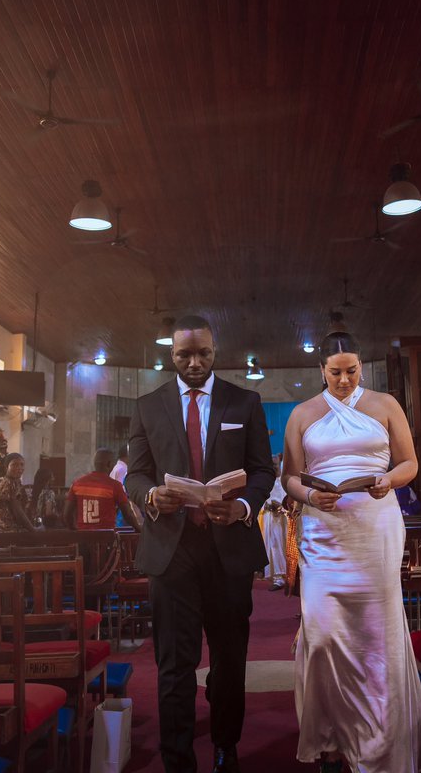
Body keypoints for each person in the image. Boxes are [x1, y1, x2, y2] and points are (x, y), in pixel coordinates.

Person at [124, 314, 274, 773]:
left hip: (227, 548)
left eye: (202, 353)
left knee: (229, 662)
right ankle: (178, 759)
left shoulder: (244, 402)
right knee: (174, 665)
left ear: (215, 351)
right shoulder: (148, 405)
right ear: (170, 355)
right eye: (183, 355)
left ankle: (226, 748)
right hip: (172, 550)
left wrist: (243, 507)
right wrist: (151, 494)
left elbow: (263, 470)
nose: (194, 362)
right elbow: (135, 473)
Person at [282, 331, 421, 773]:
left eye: (351, 371)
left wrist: (389, 480)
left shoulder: (385, 405)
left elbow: (410, 463)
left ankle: (382, 740)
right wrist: (310, 497)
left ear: (360, 367)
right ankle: (329, 736)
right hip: (324, 533)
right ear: (320, 370)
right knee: (324, 635)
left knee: (376, 635)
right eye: (335, 372)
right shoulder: (303, 413)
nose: (344, 380)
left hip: (375, 528)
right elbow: (290, 476)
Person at [65, 448, 141, 531]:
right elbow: (128, 514)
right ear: (109, 464)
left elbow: (67, 514)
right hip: (106, 539)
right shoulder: (115, 486)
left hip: (83, 538)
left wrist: (74, 530)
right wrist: (139, 529)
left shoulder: (77, 484)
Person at [0, 453, 38, 533]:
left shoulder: (14, 481)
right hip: (4, 529)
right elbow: (17, 509)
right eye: (15, 465)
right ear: (6, 467)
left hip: (6, 528)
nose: (19, 468)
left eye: (22, 465)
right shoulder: (8, 483)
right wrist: (32, 529)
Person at [261, 457, 289, 590]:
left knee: (285, 546)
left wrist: (281, 508)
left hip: (284, 520)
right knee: (273, 547)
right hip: (271, 521)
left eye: (276, 464)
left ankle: (289, 576)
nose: (275, 467)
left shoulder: (285, 482)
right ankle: (278, 577)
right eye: (272, 465)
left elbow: (290, 501)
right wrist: (268, 506)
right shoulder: (266, 482)